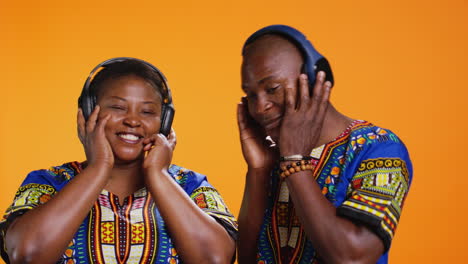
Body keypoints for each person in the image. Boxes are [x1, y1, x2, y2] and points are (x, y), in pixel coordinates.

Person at [0, 57, 237, 264]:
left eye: (147, 112)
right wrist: (99, 166)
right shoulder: (49, 182)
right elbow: (28, 255)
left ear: (164, 122)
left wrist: (158, 175)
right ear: (87, 112)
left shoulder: (190, 186)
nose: (133, 121)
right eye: (117, 107)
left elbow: (215, 259)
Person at [237, 25, 413, 264]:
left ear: (315, 77)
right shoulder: (272, 158)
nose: (259, 107)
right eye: (251, 95)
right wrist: (258, 172)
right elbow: (247, 258)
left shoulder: (379, 148)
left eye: (272, 89)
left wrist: (295, 161)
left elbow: (354, 257)